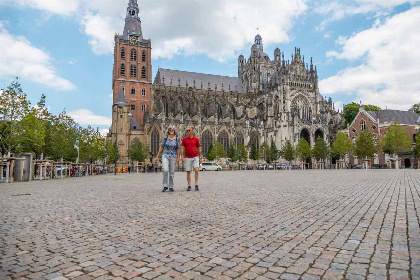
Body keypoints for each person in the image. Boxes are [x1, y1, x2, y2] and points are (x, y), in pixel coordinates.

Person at [155, 126, 180, 192]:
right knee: (165, 170)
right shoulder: (165, 138)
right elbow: (161, 147)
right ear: (168, 131)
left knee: (171, 172)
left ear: (174, 131)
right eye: (170, 129)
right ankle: (165, 186)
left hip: (173, 156)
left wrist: (178, 157)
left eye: (173, 129)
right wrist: (157, 156)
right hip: (165, 155)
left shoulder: (177, 139)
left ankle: (171, 186)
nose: (171, 130)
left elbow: (178, 149)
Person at [181, 126, 202, 191]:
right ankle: (189, 185)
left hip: (195, 156)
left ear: (192, 131)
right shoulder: (184, 139)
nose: (188, 132)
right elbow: (182, 147)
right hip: (187, 157)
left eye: (189, 130)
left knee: (196, 169)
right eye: (187, 131)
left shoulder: (196, 139)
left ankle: (196, 184)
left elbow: (199, 148)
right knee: (188, 172)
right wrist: (182, 156)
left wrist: (200, 157)